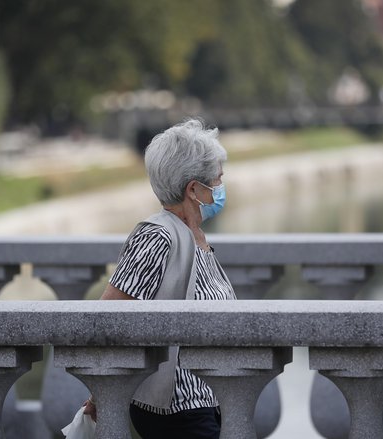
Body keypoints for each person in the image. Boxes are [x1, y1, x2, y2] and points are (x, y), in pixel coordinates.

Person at [84, 119, 235, 439]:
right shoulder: (158, 236)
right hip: (178, 409)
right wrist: (103, 392)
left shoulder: (195, 235)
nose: (221, 187)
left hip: (206, 403)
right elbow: (106, 318)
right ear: (194, 189)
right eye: (217, 180)